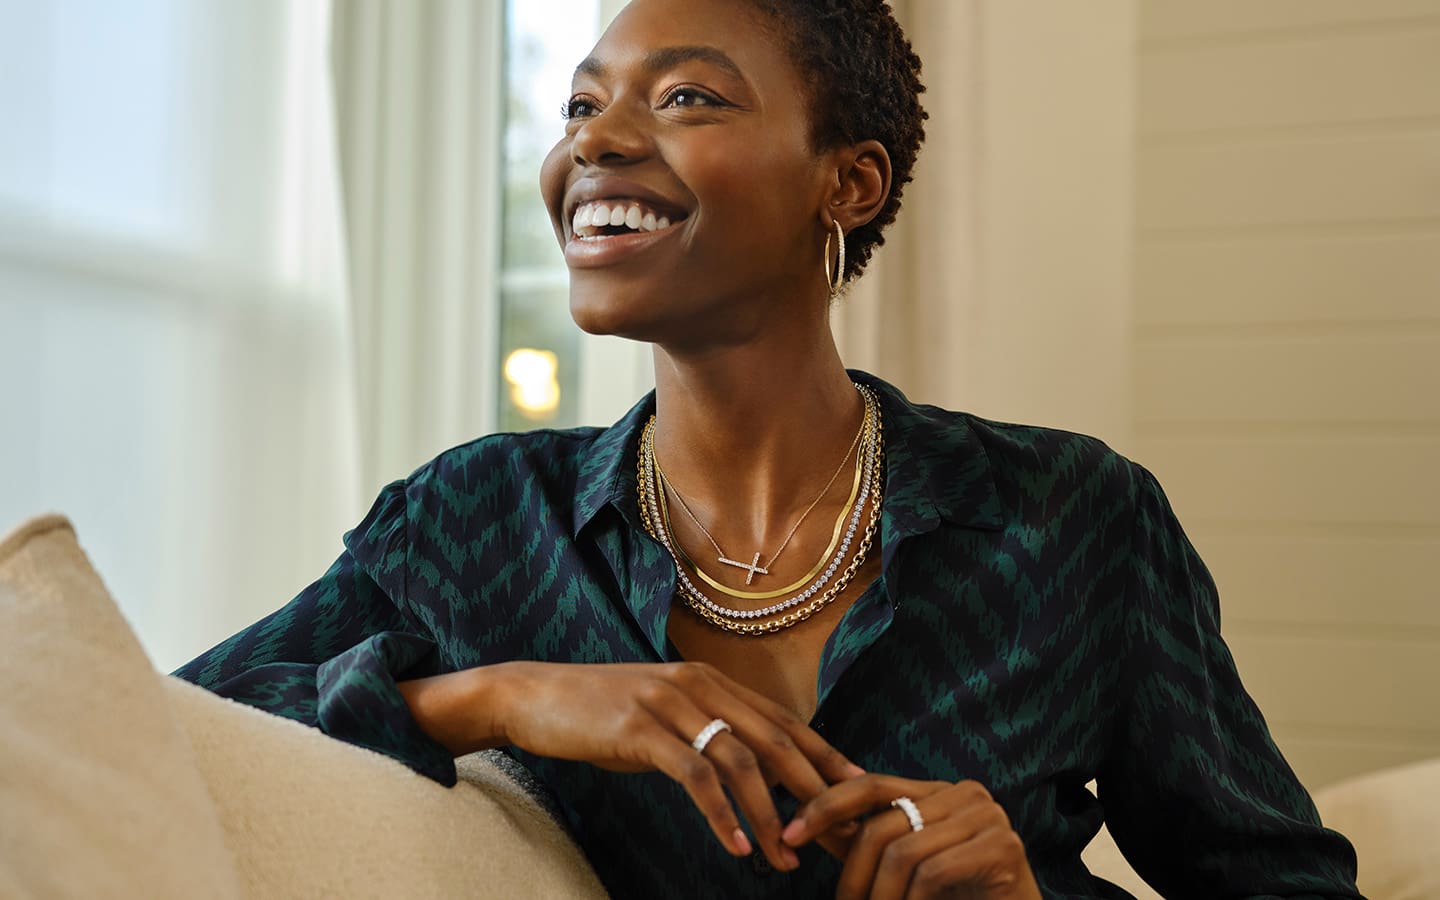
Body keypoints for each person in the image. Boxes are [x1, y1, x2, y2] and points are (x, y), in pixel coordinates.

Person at [175, 0, 1362, 897]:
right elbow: (159, 725)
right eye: (583, 105)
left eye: (686, 99)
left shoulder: (1070, 514)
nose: (600, 142)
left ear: (846, 183)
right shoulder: (477, 519)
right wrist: (501, 698)